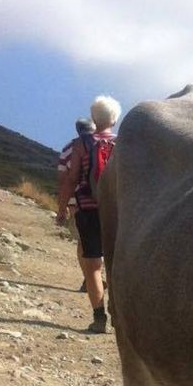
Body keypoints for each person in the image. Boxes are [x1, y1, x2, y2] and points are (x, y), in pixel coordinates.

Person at [56, 94, 121, 334]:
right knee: (114, 264)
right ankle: (118, 314)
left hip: (87, 207)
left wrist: (62, 208)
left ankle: (99, 318)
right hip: (115, 209)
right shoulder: (122, 143)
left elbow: (70, 179)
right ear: (114, 120)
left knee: (93, 265)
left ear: (94, 118)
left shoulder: (81, 144)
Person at [57, 118, 94, 292]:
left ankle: (89, 280)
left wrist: (61, 208)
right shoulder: (107, 143)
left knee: (83, 242)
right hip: (102, 200)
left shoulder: (67, 149)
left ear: (77, 130)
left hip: (76, 202)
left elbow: (64, 181)